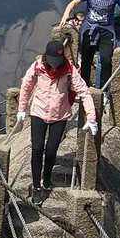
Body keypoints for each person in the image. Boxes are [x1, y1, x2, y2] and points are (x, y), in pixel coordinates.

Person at [17, 39, 98, 200]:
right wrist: (21, 108)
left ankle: (46, 178)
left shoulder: (69, 70)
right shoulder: (37, 67)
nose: (55, 65)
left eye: (58, 61)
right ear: (47, 57)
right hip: (38, 112)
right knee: (37, 148)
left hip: (60, 115)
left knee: (52, 150)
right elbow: (26, 85)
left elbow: (83, 91)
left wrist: (91, 117)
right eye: (52, 60)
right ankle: (36, 187)